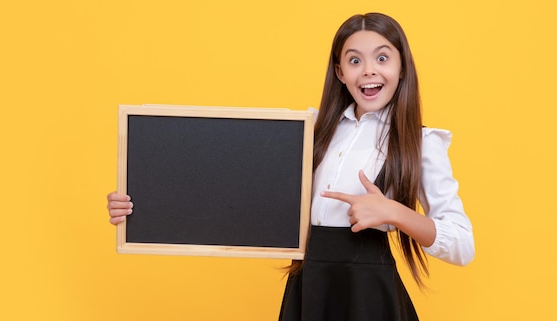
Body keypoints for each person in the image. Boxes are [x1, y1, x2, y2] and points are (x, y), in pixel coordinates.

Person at [107, 12, 474, 321]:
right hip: (309, 288)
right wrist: (143, 204)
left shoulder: (422, 143)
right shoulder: (309, 130)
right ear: (340, 71)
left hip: (369, 298)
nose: (368, 72)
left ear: (401, 66)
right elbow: (221, 182)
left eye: (382, 58)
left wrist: (393, 212)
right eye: (354, 60)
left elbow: (463, 245)